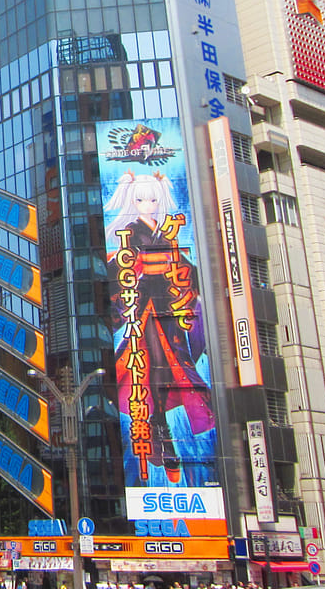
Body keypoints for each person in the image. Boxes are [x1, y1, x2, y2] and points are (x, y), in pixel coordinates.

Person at [105, 168, 216, 487]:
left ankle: (164, 431)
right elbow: (119, 268)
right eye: (141, 199)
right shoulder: (132, 232)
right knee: (152, 364)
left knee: (176, 365)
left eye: (152, 199)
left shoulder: (166, 233)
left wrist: (192, 283)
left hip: (171, 307)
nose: (148, 204)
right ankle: (160, 430)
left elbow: (186, 267)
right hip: (146, 309)